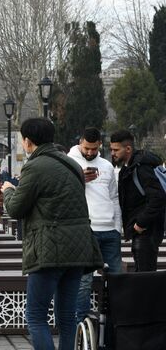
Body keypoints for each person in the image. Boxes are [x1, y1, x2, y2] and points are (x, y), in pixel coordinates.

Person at [2, 118, 102, 350]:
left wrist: (8, 190)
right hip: (78, 249)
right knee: (67, 317)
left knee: (36, 316)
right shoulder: (72, 165)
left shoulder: (35, 166)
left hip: (49, 250)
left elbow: (16, 208)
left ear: (27, 141)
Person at [68, 127, 123, 323]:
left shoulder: (107, 165)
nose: (90, 152)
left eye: (94, 148)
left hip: (109, 230)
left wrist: (117, 227)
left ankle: (117, 320)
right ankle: (81, 322)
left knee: (117, 277)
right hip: (86, 229)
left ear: (100, 144)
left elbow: (114, 198)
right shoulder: (70, 162)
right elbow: (63, 193)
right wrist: (78, 178)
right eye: (86, 148)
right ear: (80, 142)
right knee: (84, 280)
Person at [109, 129, 166, 272]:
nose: (112, 153)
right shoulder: (129, 168)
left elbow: (158, 197)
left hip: (146, 231)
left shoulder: (141, 168)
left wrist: (140, 223)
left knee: (145, 276)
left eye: (116, 150)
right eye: (111, 149)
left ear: (128, 149)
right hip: (141, 231)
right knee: (142, 274)